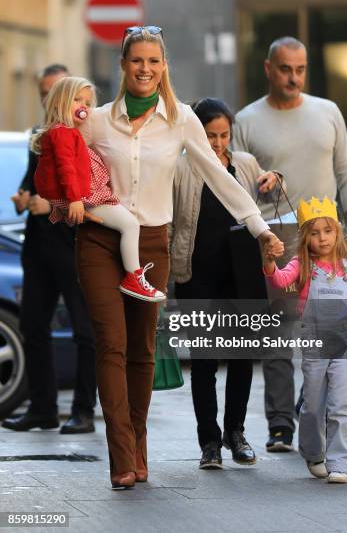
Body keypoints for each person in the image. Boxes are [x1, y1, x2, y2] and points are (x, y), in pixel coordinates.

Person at [76, 26, 281, 490]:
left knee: (142, 349)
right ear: (123, 66)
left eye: (153, 61)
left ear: (163, 66)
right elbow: (54, 150)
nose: (144, 69)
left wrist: (260, 229)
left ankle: (139, 445)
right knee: (111, 342)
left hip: (150, 242)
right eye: (136, 61)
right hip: (98, 239)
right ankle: (122, 456)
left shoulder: (181, 118)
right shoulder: (97, 120)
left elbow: (222, 178)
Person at [232, 36, 347, 452]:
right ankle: (280, 425)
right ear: (269, 68)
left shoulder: (327, 111)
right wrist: (259, 183)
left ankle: (318, 405)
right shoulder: (247, 120)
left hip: (328, 232)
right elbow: (234, 185)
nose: (294, 77)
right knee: (279, 331)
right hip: (278, 232)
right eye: (286, 69)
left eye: (301, 69)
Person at [171, 97, 283, 469]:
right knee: (203, 363)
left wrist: (275, 178)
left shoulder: (245, 164)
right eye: (210, 135)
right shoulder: (183, 167)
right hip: (198, 275)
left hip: (243, 275)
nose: (218, 144)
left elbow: (269, 194)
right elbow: (170, 222)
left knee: (241, 358)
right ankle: (210, 442)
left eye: (224, 136)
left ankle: (236, 433)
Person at [262, 197, 347, 483]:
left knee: (341, 406)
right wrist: (270, 262)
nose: (322, 238)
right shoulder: (302, 264)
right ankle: (313, 452)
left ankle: (339, 464)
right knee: (313, 405)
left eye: (328, 231)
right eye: (315, 232)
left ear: (339, 233)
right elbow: (280, 282)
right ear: (305, 237)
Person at [2, 64, 97, 434]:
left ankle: (84, 411)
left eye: (56, 90)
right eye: (44, 91)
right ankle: (42, 408)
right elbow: (32, 182)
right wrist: (24, 198)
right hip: (38, 245)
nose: (48, 97)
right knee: (32, 325)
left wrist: (50, 205)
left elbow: (89, 198)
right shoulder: (38, 138)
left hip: (74, 243)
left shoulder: (86, 138)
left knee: (84, 329)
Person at [32, 76, 165, 303]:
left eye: (87, 102)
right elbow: (66, 168)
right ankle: (133, 276)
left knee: (126, 222)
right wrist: (74, 200)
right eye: (76, 100)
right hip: (84, 196)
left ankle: (133, 275)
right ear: (59, 102)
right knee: (130, 224)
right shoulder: (62, 132)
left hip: (83, 196)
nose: (83, 107)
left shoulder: (66, 131)